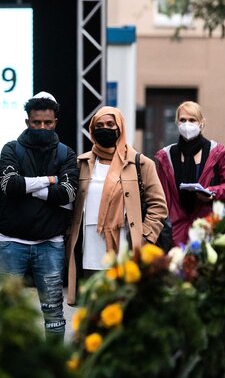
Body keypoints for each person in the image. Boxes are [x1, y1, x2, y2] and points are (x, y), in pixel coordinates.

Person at [0, 92, 79, 339]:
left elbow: (68, 193)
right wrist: (50, 181)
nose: (42, 127)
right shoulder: (11, 149)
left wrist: (29, 187)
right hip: (11, 243)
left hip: (50, 244)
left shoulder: (66, 154)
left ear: (55, 123)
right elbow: (9, 185)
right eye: (36, 122)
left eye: (47, 123)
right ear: (27, 121)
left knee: (53, 315)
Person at [67, 106, 168, 305]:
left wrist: (145, 236)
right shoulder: (82, 163)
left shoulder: (141, 164)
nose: (105, 129)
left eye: (110, 125)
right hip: (90, 248)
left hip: (125, 248)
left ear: (120, 127)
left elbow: (159, 206)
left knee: (124, 307)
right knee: (94, 309)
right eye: (100, 125)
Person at [155, 101, 225, 246]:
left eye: (192, 120)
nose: (187, 124)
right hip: (175, 232)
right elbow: (159, 196)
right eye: (182, 120)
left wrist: (211, 192)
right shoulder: (166, 156)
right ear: (177, 123)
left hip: (207, 228)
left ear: (201, 123)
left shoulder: (216, 152)